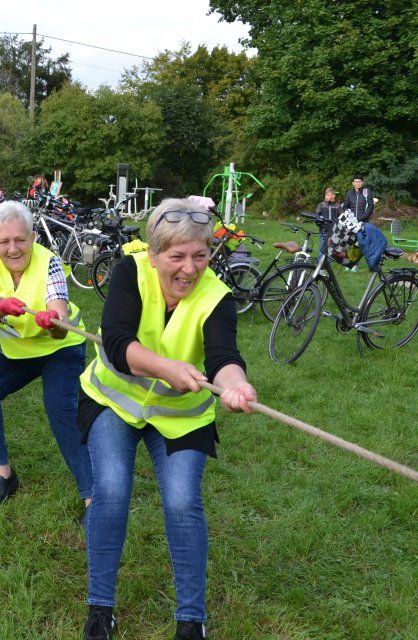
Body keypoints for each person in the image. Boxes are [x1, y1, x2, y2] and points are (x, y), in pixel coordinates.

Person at [77, 198, 257, 640]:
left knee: (181, 504)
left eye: (200, 255)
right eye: (176, 257)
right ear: (154, 255)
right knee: (112, 493)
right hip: (114, 403)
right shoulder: (128, 272)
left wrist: (236, 383)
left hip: (181, 417)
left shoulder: (217, 296)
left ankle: (191, 620)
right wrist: (167, 368)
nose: (189, 269)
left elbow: (223, 357)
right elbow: (117, 342)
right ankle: (101, 608)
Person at [0, 200, 92, 506]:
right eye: (4, 241)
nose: (13, 249)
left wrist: (54, 323)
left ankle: (93, 497)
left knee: (60, 408)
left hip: (58, 348)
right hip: (14, 349)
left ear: (33, 237)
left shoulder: (50, 263)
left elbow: (60, 321)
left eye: (21, 239)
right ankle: (3, 474)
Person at [315, 187, 341, 256]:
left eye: (328, 195)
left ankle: (326, 265)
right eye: (325, 195)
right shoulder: (321, 205)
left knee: (330, 251)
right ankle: (319, 265)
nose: (326, 197)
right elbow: (317, 217)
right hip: (324, 232)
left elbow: (341, 219)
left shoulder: (338, 206)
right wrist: (321, 225)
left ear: (333, 196)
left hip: (334, 233)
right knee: (321, 251)